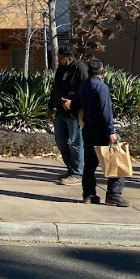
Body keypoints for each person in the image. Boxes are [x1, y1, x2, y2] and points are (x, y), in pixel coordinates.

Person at [73, 58, 128, 207]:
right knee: (116, 161)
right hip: (102, 130)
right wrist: (111, 131)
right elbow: (105, 111)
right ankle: (114, 194)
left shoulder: (82, 86)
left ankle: (89, 194)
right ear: (102, 72)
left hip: (88, 128)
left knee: (90, 164)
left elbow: (75, 105)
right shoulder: (101, 87)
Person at [48, 45, 89, 185]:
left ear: (69, 59)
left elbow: (87, 92)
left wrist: (73, 103)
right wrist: (50, 106)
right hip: (60, 111)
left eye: (61, 58)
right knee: (61, 141)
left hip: (74, 113)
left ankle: (77, 174)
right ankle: (71, 169)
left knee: (75, 143)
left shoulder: (81, 70)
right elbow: (55, 88)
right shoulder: (61, 68)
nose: (58, 60)